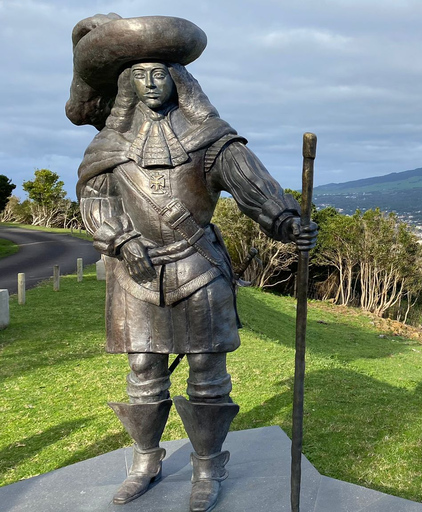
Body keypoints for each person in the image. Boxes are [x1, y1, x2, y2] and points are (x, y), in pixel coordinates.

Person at [65, 14, 317, 512]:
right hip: (136, 272)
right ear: (127, 85)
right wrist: (120, 242)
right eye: (139, 74)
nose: (151, 81)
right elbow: (96, 202)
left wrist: (288, 222)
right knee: (143, 366)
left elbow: (255, 189)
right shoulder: (109, 146)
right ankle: (144, 460)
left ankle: (207, 465)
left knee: (206, 369)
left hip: (198, 267)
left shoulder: (210, 139)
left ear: (180, 80)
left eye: (161, 72)